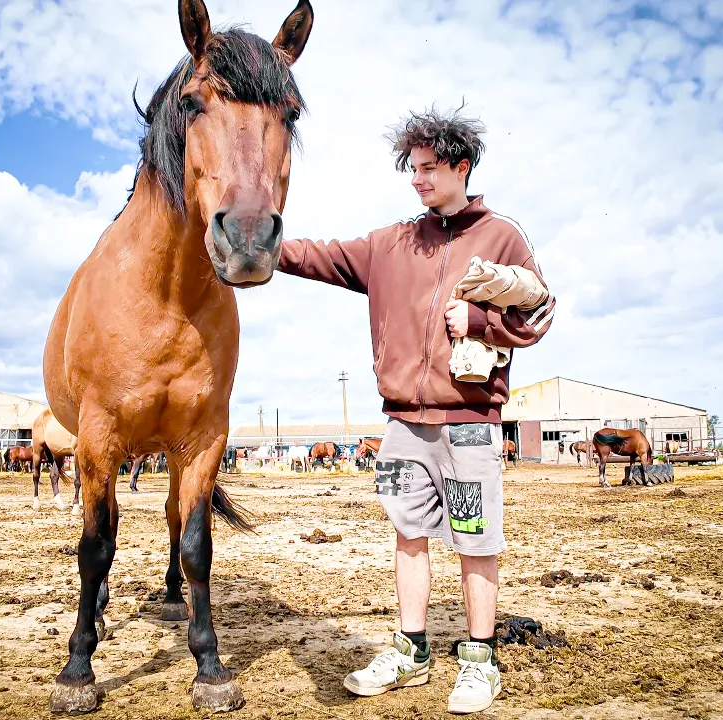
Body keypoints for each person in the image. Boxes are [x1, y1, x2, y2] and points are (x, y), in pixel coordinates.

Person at [277, 108, 554, 714]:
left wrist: (480, 320)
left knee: (475, 540)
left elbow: (539, 311)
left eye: (429, 168)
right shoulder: (393, 243)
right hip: (403, 425)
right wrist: (262, 243)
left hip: (470, 426)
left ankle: (480, 661)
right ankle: (411, 652)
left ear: (462, 167)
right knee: (409, 535)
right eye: (413, 168)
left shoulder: (502, 236)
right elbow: (323, 255)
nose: (417, 179)